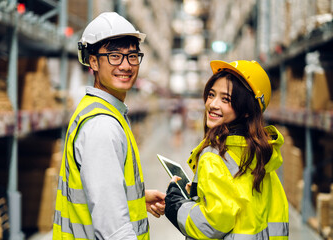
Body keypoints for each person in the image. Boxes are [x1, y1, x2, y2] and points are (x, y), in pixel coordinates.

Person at [53, 12, 166, 240]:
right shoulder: (102, 126)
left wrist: (136, 199)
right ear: (93, 61)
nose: (125, 65)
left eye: (132, 56)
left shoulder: (100, 110)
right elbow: (113, 230)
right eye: (114, 56)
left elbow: (98, 193)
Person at [164, 60, 289, 239]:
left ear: (246, 109)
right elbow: (241, 199)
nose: (213, 104)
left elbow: (211, 224)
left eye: (226, 99)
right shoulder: (263, 155)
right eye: (211, 94)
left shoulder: (214, 155)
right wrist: (202, 193)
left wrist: (175, 204)